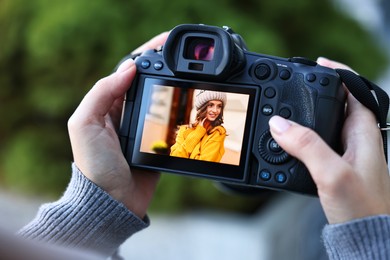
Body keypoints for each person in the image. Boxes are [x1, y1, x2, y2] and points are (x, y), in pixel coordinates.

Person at [0, 31, 387, 259]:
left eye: (222, 106)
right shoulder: (186, 131)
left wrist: (93, 210)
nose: (217, 111)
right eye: (212, 104)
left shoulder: (217, 133)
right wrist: (371, 239)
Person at [170, 90, 227, 162]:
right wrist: (198, 132)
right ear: (202, 107)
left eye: (219, 106)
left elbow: (203, 167)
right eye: (211, 105)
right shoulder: (184, 129)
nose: (215, 110)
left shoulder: (218, 132)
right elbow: (175, 158)